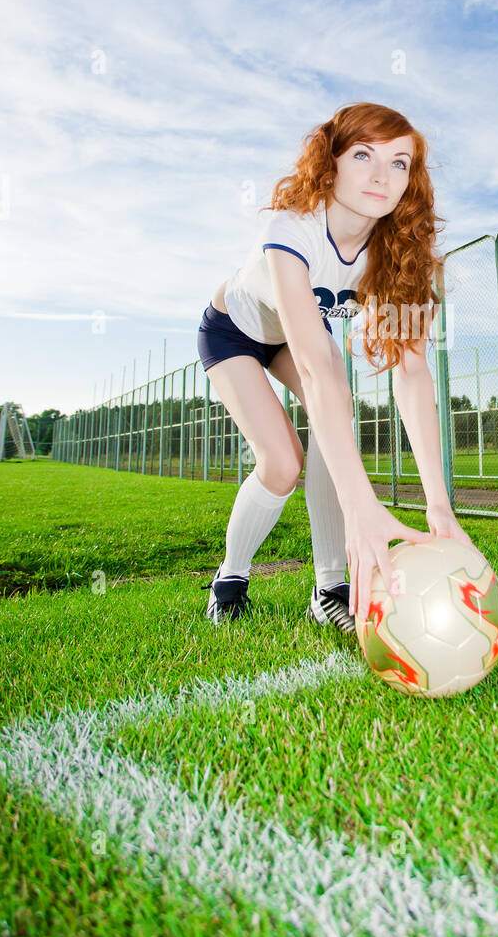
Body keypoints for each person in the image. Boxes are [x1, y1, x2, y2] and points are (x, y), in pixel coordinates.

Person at [196, 101, 476, 630]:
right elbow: (315, 365)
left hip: (295, 335)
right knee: (282, 463)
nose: (381, 174)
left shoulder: (395, 251)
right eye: (364, 154)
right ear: (332, 159)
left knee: (336, 416)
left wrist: (439, 503)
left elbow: (411, 374)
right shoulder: (294, 227)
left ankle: (330, 588)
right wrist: (360, 505)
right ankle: (230, 579)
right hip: (235, 330)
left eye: (399, 162)